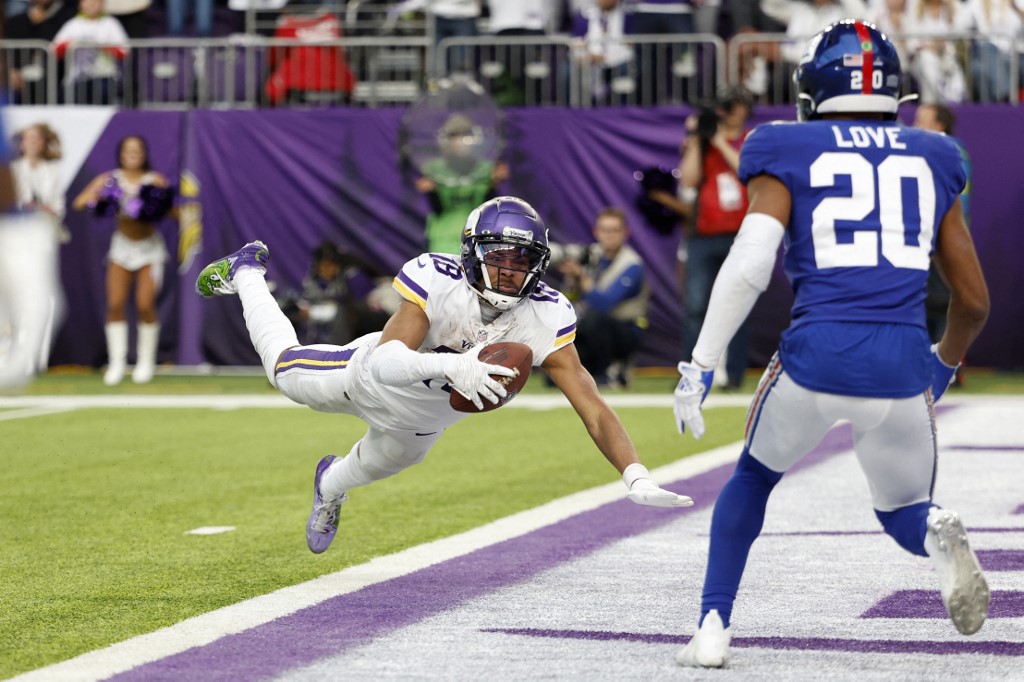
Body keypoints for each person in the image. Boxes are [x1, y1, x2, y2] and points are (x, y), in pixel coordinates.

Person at [672, 21, 990, 668]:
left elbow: (750, 263)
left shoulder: (783, 145)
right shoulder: (936, 153)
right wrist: (944, 365)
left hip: (814, 356)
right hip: (901, 362)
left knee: (754, 479)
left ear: (814, 87)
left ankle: (712, 626)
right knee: (905, 508)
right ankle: (935, 533)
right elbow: (974, 302)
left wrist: (700, 365)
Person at [194, 196, 693, 555]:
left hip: (424, 422)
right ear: (472, 253)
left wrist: (635, 474)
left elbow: (593, 407)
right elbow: (390, 361)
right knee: (284, 372)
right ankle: (247, 272)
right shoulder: (438, 279)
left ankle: (329, 486)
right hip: (367, 376)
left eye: (523, 263)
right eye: (500, 259)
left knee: (375, 466)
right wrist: (456, 364)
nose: (511, 273)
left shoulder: (545, 314)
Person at [72, 134, 174, 386]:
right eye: (127, 150)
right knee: (115, 303)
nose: (132, 154)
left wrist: (154, 204)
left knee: (144, 304)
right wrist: (105, 199)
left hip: (149, 249)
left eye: (137, 150)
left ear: (144, 153)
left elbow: (174, 211)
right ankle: (117, 363)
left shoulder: (154, 180)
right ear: (120, 153)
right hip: (121, 248)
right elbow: (79, 202)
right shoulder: (110, 179)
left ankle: (145, 362)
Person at [679, 86, 753, 390]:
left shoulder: (750, 138)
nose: (729, 112)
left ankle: (733, 375)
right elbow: (688, 179)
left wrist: (721, 143)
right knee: (695, 306)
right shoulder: (705, 142)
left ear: (744, 109)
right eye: (726, 106)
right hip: (703, 234)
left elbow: (747, 170)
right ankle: (690, 373)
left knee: (737, 304)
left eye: (734, 106)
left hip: (740, 234)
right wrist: (699, 139)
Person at [0, 91, 62, 390]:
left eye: (37, 138)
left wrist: (42, 211)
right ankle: (6, 355)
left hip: (39, 234)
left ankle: (35, 358)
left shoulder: (52, 170)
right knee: (6, 302)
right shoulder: (13, 167)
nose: (32, 143)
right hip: (13, 231)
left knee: (43, 301)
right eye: (28, 138)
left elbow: (57, 207)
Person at [557, 207, 648, 387]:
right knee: (557, 377)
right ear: (596, 232)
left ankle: (612, 369)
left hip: (625, 330)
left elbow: (604, 304)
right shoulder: (590, 255)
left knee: (594, 319)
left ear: (625, 233)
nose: (609, 235)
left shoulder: (632, 264)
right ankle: (595, 370)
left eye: (615, 230)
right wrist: (572, 279)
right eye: (605, 230)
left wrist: (582, 277)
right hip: (589, 328)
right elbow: (568, 299)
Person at [913, 103, 972, 350]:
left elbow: (956, 202)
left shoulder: (948, 152)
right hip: (930, 238)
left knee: (941, 303)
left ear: (939, 125)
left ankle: (947, 361)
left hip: (938, 239)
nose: (915, 125)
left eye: (921, 120)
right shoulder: (936, 150)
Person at [415, 113, 508, 255]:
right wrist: (431, 191)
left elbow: (486, 208)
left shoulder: (486, 168)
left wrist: (494, 183)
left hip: (477, 235)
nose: (460, 140)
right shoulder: (434, 169)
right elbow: (438, 209)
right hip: (442, 237)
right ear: (445, 140)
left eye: (465, 134)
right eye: (454, 136)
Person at [52, 0, 129, 105]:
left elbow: (124, 52)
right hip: (77, 77)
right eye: (87, 2)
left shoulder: (110, 23)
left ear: (102, 4)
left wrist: (102, 46)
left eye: (95, 2)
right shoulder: (73, 24)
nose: (91, 5)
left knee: (102, 99)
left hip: (104, 75)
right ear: (80, 5)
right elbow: (54, 50)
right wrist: (69, 44)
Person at [6, 0, 78, 105]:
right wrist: (12, 69)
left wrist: (42, 23)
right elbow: (12, 48)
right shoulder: (15, 21)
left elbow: (55, 45)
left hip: (55, 76)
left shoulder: (69, 16)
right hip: (23, 77)